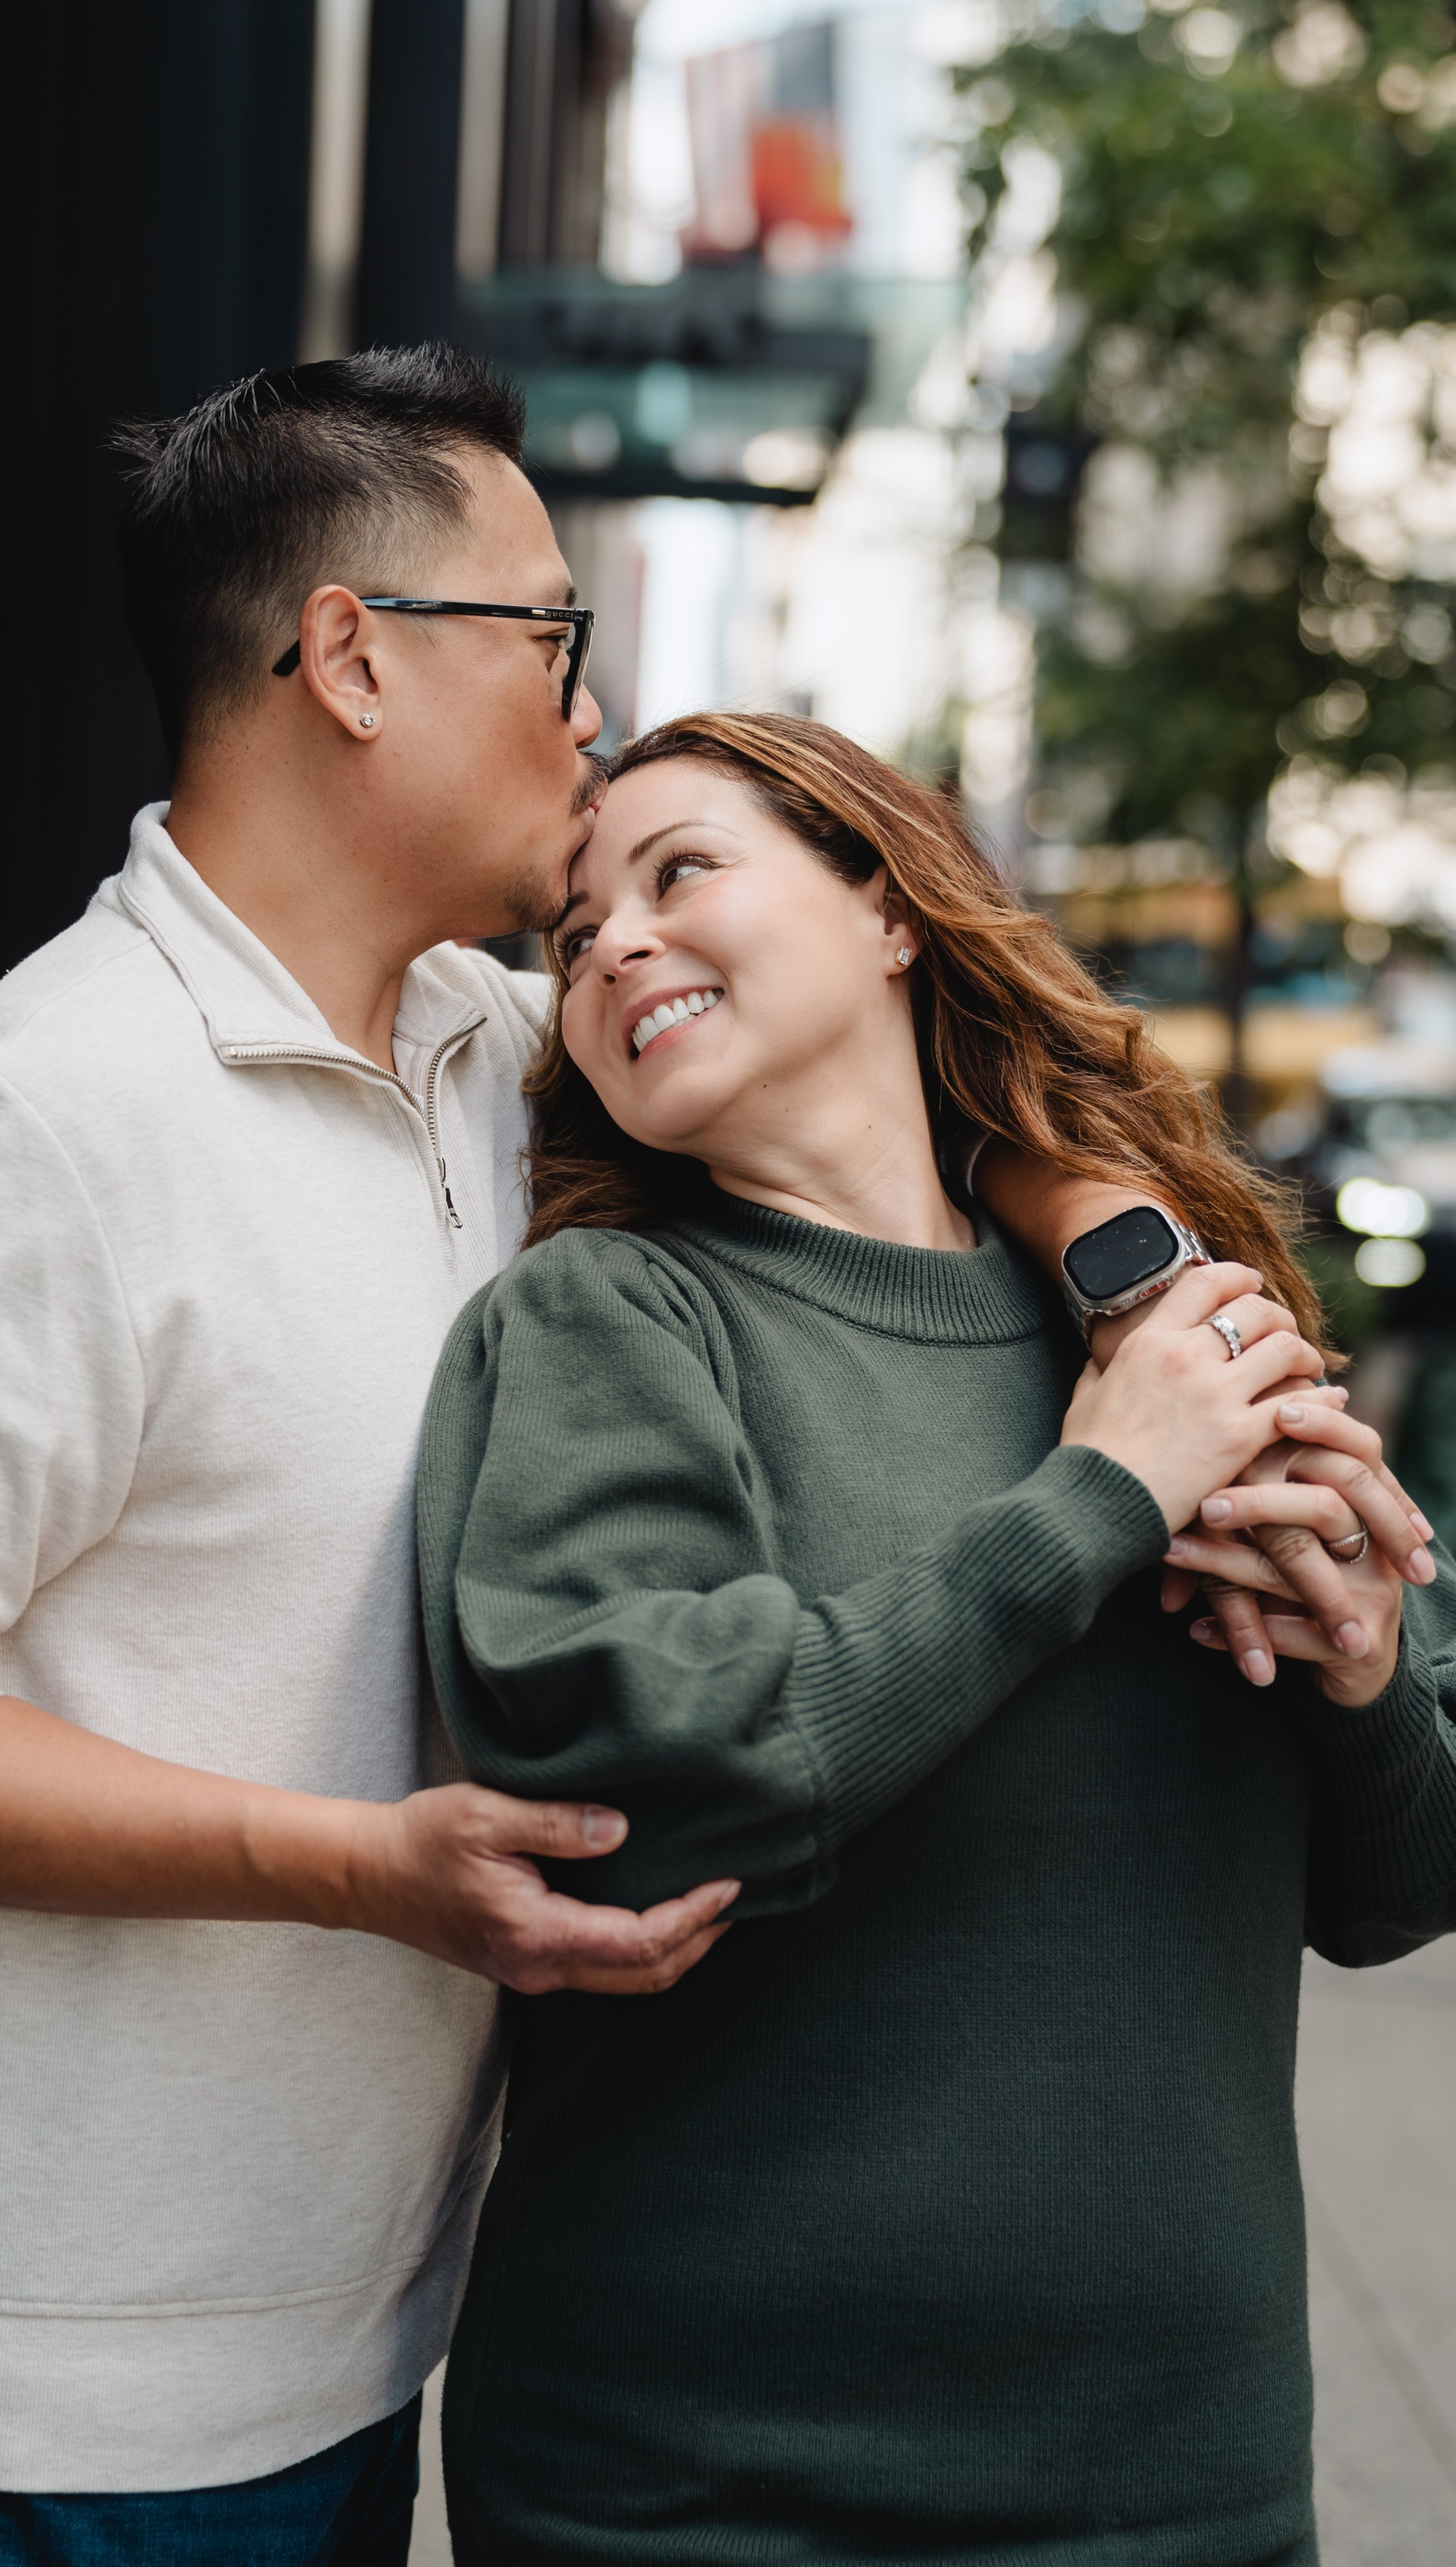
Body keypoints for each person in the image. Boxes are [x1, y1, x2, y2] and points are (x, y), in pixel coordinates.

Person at [0, 349, 1331, 2564]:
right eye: (549, 633)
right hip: (31, 2395)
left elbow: (901, 1079)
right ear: (356, 658)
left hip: (361, 2339)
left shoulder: (485, 1038)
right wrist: (355, 1862)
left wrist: (1132, 1272)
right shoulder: (48, 1121)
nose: (585, 701)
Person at [419, 710, 1456, 2567]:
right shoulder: (605, 1323)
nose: (617, 946)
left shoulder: (1167, 1331)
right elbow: (645, 1791)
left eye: (678, 872)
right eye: (573, 939)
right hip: (696, 2500)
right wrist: (1093, 1506)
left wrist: (1366, 1671)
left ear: (888, 909)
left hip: (1183, 2495)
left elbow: (1399, 1885)